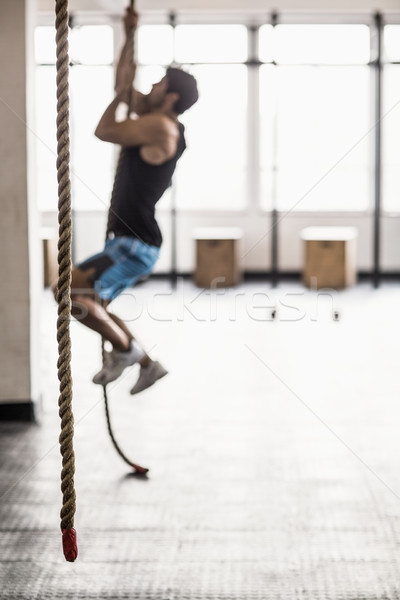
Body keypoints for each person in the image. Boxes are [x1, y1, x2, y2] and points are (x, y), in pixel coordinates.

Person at [65, 7, 199, 394]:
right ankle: (147, 363)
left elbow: (105, 129)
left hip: (135, 243)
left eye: (157, 83)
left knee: (76, 298)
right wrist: (128, 35)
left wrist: (123, 95)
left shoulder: (160, 125)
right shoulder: (156, 119)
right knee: (78, 291)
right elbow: (123, 85)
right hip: (127, 240)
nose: (151, 86)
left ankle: (125, 352)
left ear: (170, 96)